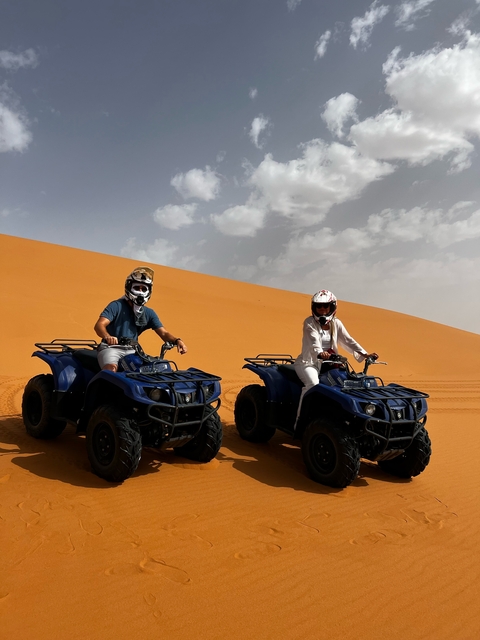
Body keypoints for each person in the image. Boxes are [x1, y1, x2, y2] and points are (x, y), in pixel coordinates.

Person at [294, 289, 378, 423]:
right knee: (313, 384)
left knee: (344, 384)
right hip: (309, 363)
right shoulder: (309, 322)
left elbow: (348, 340)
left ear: (332, 307)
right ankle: (301, 421)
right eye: (318, 306)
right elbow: (313, 342)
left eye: (325, 306)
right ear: (313, 308)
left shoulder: (336, 323)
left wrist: (365, 354)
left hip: (330, 363)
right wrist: (320, 353)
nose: (322, 309)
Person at [94, 266, 187, 372]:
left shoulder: (148, 313)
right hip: (111, 348)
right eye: (137, 288)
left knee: (149, 371)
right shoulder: (116, 305)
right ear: (129, 287)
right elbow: (99, 325)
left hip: (132, 351)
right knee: (110, 372)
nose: (140, 291)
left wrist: (177, 340)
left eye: (144, 289)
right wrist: (108, 336)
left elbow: (164, 333)